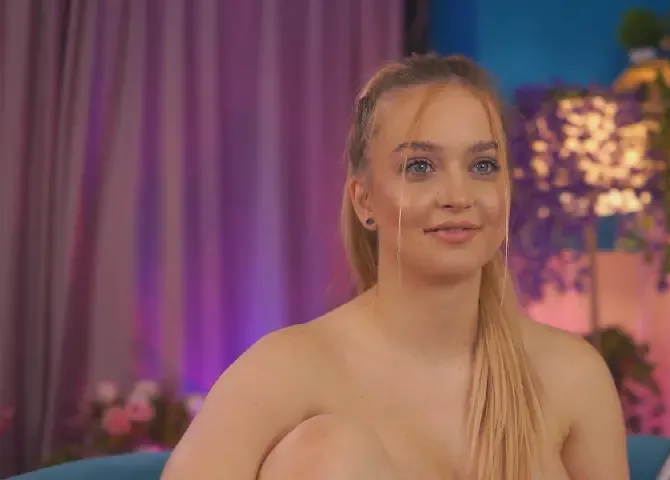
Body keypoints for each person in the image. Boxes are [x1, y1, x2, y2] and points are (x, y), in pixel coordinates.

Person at [161, 54, 628, 480]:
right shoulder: (286, 370)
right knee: (331, 451)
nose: (458, 196)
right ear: (364, 199)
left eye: (483, 166)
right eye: (419, 167)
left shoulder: (573, 377)